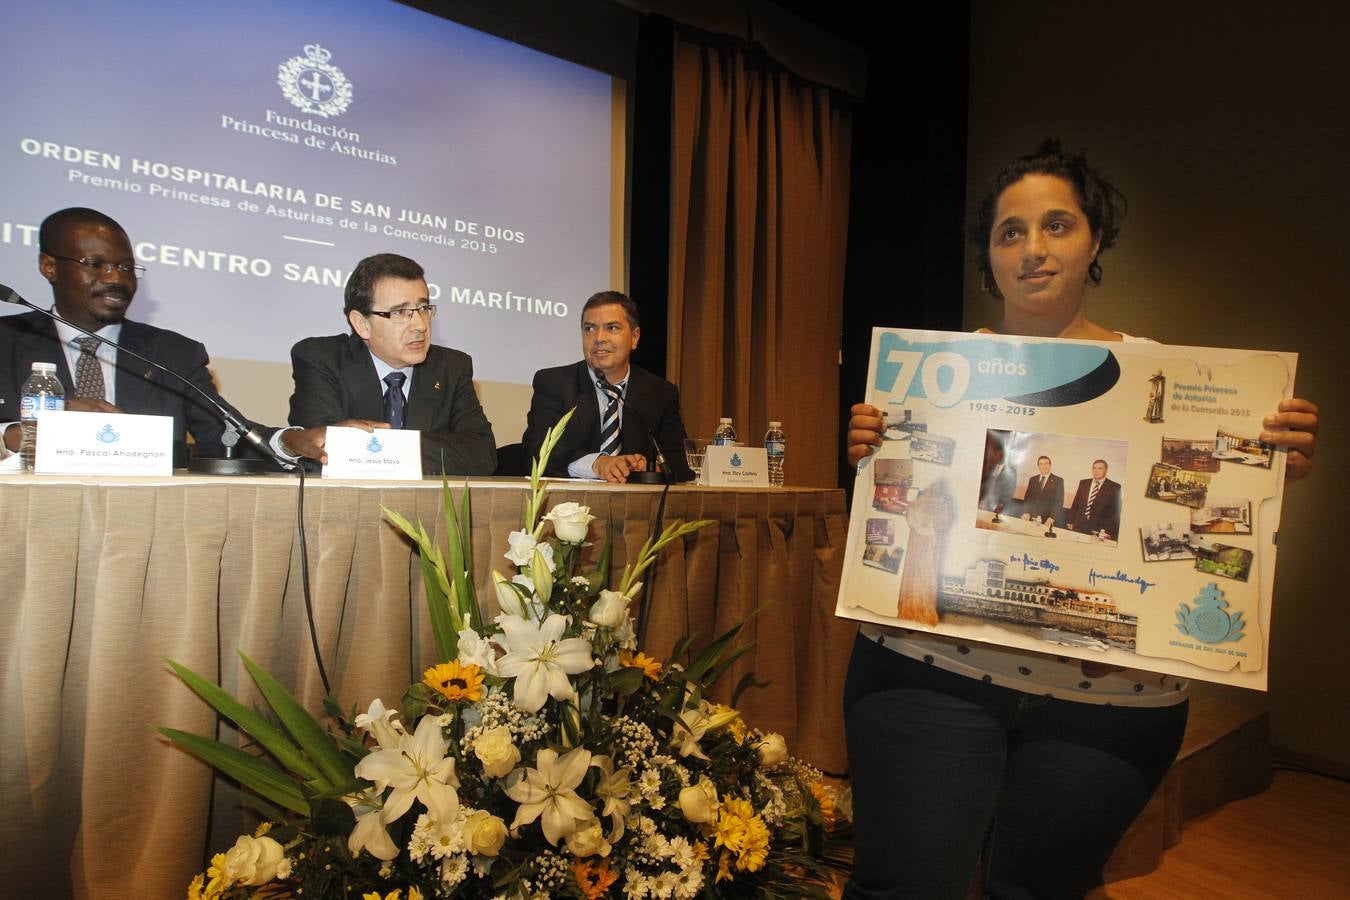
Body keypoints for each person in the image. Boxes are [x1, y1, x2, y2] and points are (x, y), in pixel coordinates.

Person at [843, 140, 1319, 899]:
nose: (1033, 249)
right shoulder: (932, 379)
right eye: (1010, 232)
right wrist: (876, 453)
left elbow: (1200, 529)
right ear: (989, 257)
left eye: (1057, 225)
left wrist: (1263, 467)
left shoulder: (1176, 379)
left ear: (1095, 239)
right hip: (929, 677)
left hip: (1114, 705)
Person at [0, 207, 299, 468]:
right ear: (49, 266)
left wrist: (294, 442)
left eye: (126, 267)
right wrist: (20, 435)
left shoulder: (174, 354)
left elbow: (230, 437)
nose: (116, 279)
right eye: (94, 264)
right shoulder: (6, 340)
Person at [286, 253, 497, 475]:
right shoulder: (322, 359)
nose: (420, 325)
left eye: (423, 309)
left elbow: (482, 455)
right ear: (361, 323)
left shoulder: (451, 367)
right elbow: (322, 453)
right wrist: (422, 448)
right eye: (399, 312)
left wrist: (380, 448)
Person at [522, 290, 692, 483]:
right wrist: (598, 464)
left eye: (612, 328)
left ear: (635, 338)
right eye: (589, 329)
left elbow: (681, 461)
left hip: (637, 508)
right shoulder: (554, 383)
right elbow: (535, 453)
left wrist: (649, 467)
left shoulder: (661, 393)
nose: (599, 338)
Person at [1065, 458, 1122, 539]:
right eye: (1094, 468)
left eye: (1100, 468)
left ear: (1106, 470)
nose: (1096, 471)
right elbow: (1075, 503)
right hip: (1078, 526)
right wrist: (1070, 521)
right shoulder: (1083, 483)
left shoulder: (1114, 487)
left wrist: (1108, 531)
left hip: (1098, 529)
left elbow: (1114, 513)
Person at [1020, 454, 1065, 526]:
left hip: (1048, 520)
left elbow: (1059, 502)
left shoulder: (1058, 480)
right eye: (1041, 464)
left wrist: (1052, 517)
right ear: (1038, 466)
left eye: (1046, 463)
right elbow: (1027, 498)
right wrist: (1026, 512)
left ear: (1050, 465)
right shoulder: (1033, 479)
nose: (1044, 466)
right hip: (1031, 517)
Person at [978, 431, 1017, 511]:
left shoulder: (1011, 471)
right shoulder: (991, 468)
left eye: (1000, 454)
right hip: (985, 506)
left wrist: (1000, 505)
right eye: (996, 454)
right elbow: (987, 487)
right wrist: (982, 501)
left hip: (999, 508)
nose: (997, 456)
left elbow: (1009, 493)